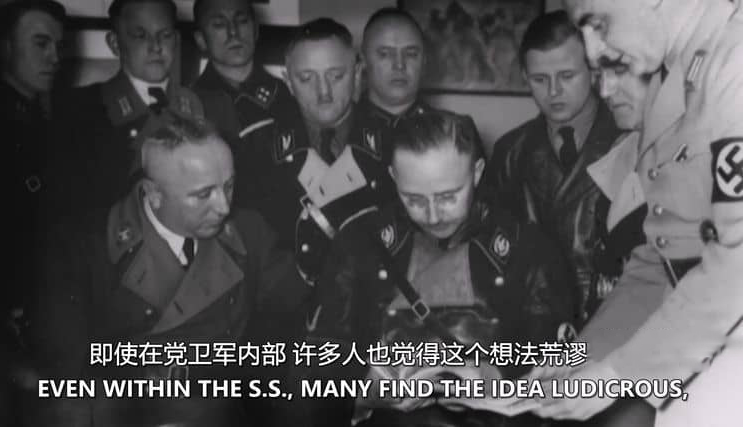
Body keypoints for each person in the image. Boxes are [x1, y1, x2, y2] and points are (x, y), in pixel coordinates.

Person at [526, 0, 743, 425]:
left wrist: (620, 373)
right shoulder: (675, 77)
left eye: (597, 22)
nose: (593, 50)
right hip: (702, 344)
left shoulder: (734, 65)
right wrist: (581, 360)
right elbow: (663, 258)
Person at [290, 111, 577, 427]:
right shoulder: (360, 243)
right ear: (393, 176)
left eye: (448, 197)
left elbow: (558, 369)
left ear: (477, 172)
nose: (433, 215)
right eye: (414, 199)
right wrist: (362, 391)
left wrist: (494, 378)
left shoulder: (527, 249)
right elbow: (318, 362)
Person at [28, 111, 307, 427]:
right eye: (203, 194)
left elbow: (293, 315)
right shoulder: (85, 250)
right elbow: (65, 376)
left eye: (229, 186)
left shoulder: (249, 232)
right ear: (154, 194)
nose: (223, 207)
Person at [487, 10, 625, 327]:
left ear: (593, 71)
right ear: (524, 77)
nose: (553, 91)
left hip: (609, 323)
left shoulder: (629, 141)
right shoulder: (510, 152)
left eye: (567, 76)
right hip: (532, 330)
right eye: (540, 79)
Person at [244, 18, 400, 285]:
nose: (323, 92)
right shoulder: (257, 149)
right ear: (288, 82)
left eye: (336, 76)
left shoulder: (393, 143)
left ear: (358, 73)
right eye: (306, 79)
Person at [0, 1, 65, 426]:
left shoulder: (45, 119)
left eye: (58, 46)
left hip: (39, 308)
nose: (54, 56)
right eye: (40, 44)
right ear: (5, 48)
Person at [50, 0, 204, 217]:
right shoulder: (81, 109)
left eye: (165, 35)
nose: (156, 46)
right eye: (140, 35)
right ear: (114, 43)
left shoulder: (198, 105)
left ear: (177, 40)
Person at [190, 0, 301, 207]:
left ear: (256, 30)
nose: (233, 32)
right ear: (201, 39)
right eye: (219, 24)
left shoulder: (288, 93)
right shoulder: (191, 106)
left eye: (241, 21)